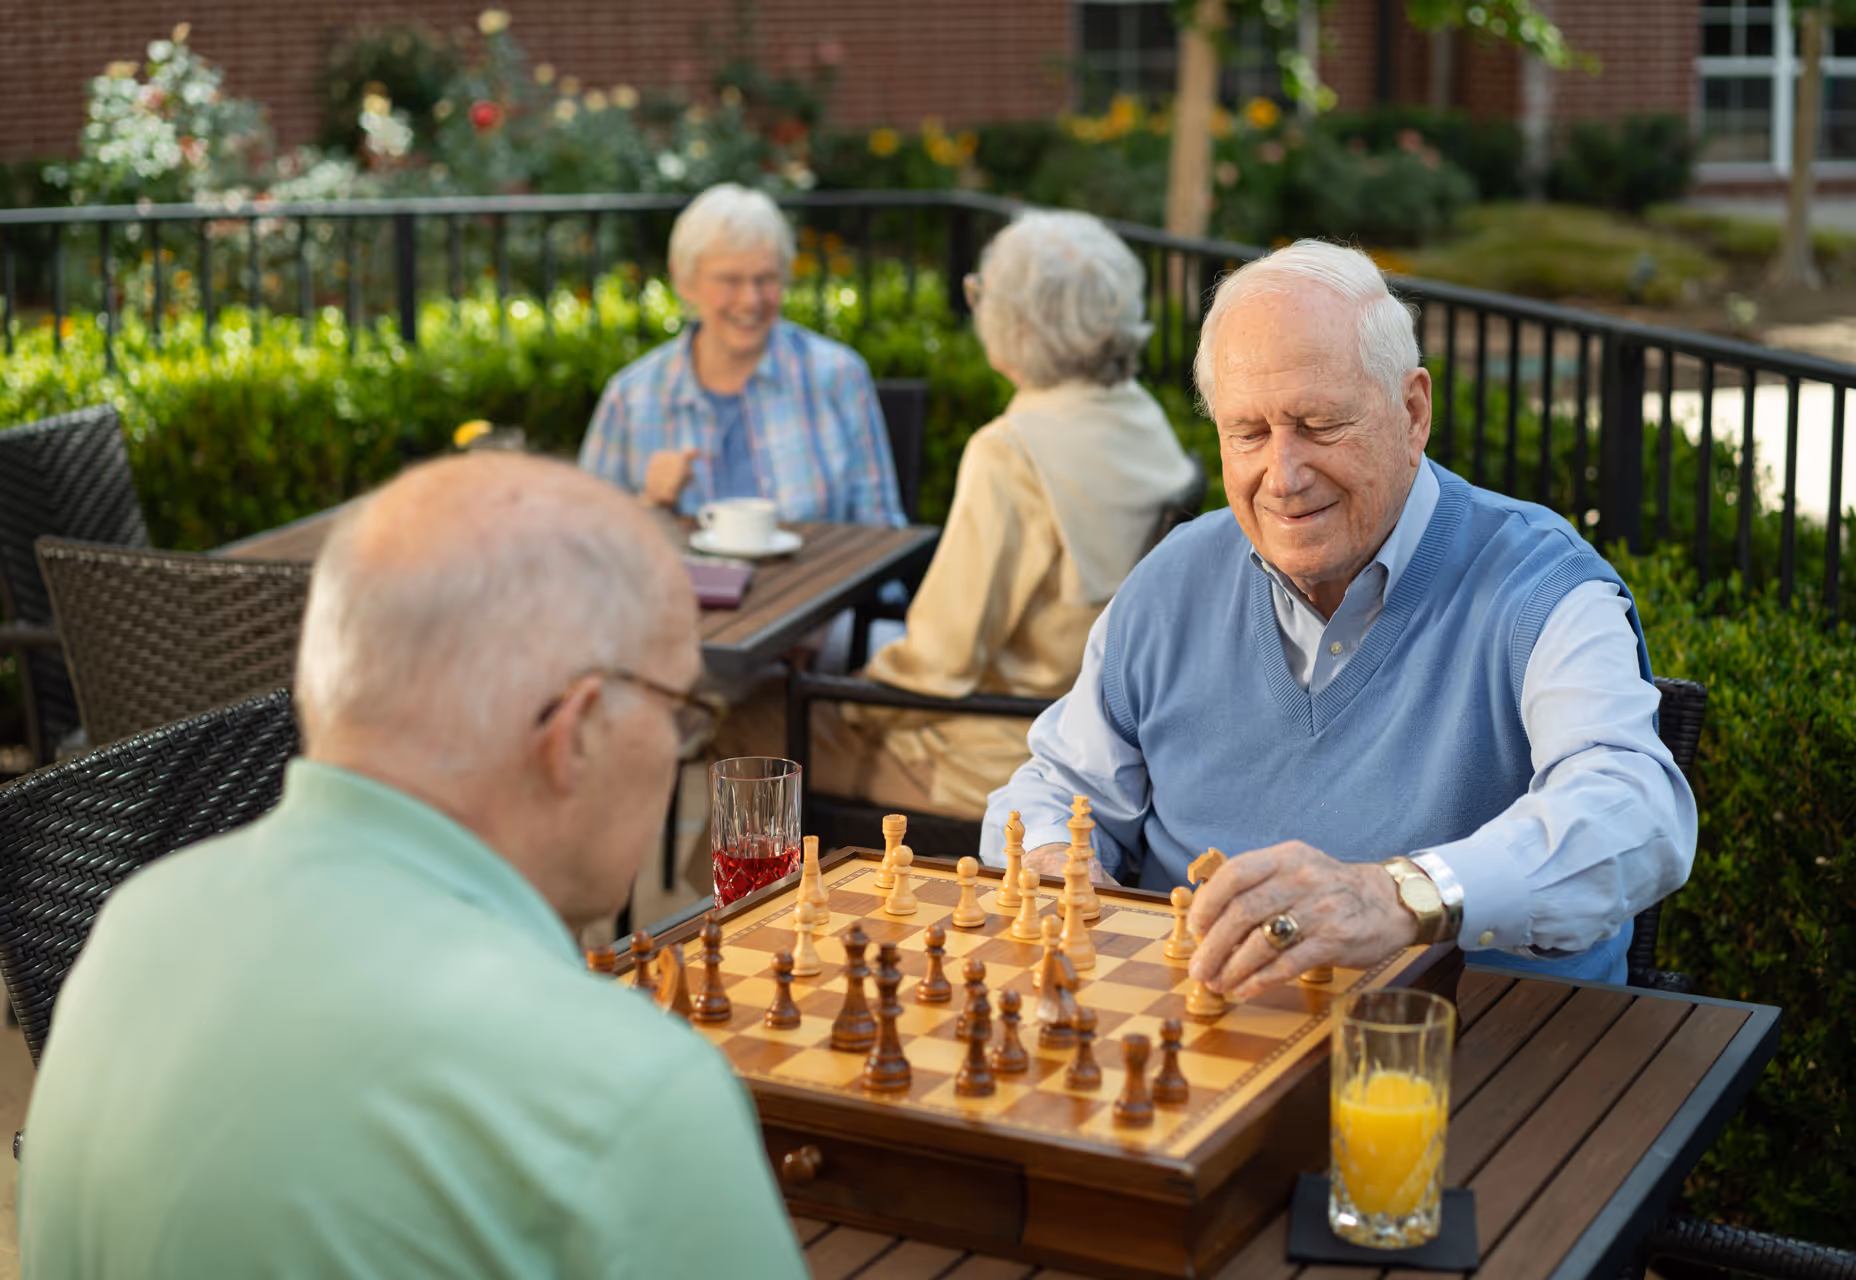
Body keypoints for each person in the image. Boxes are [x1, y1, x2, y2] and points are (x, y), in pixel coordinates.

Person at [19, 455, 807, 1278]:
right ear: (576, 733)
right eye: (682, 711)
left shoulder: (136, 924)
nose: (682, 746)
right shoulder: (625, 1090)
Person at [981, 240, 1695, 991]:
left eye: (1319, 424)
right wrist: (1055, 857)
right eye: (1247, 433)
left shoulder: (1543, 585)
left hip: (1469, 1052)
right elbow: (1054, 784)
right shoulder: (1173, 578)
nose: (1282, 477)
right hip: (1209, 1036)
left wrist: (1403, 896)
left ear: (1412, 411)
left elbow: (1635, 814)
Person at [807, 210, 1200, 818]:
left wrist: (841, 696)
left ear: (1016, 324)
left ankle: (746, 914)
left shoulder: (1012, 451)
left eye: (983, 294)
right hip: (1109, 735)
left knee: (754, 733)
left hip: (1003, 752)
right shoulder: (1136, 413)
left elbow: (938, 664)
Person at [580, 182, 905, 527]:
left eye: (766, 279)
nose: (750, 300)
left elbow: (882, 529)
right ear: (685, 281)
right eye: (729, 281)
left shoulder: (838, 375)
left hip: (829, 582)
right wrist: (647, 504)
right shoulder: (630, 398)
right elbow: (586, 550)